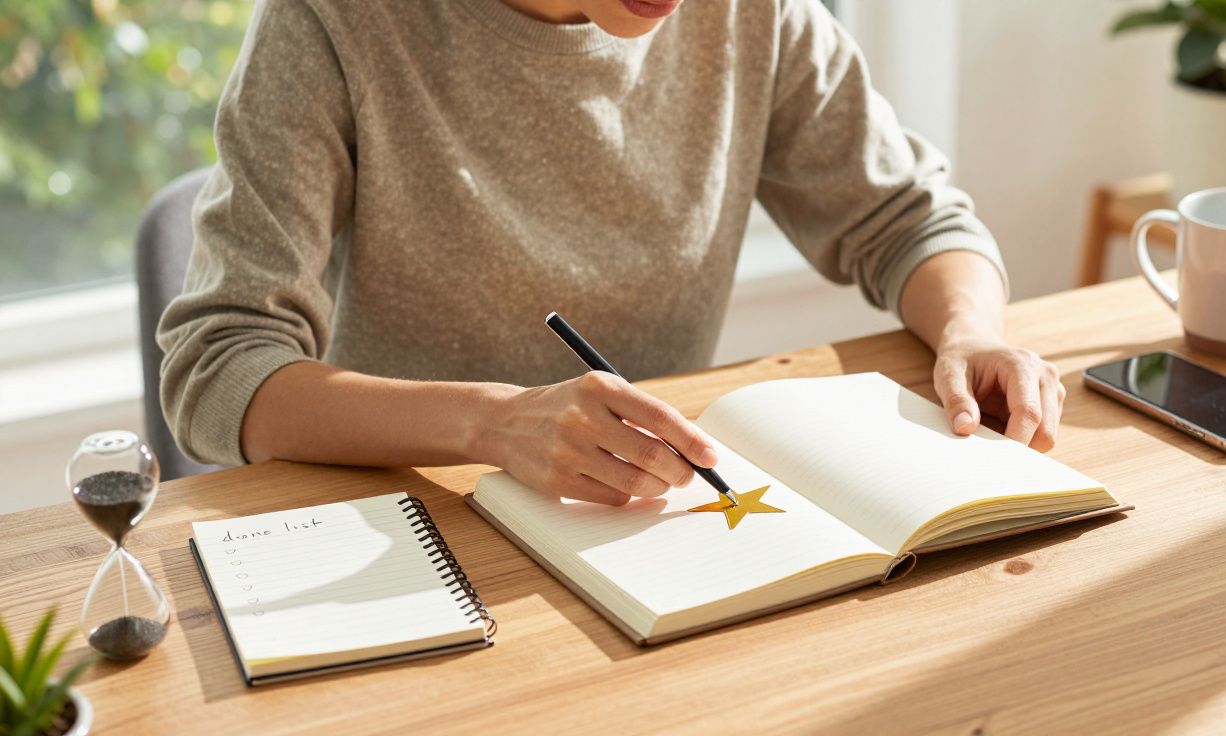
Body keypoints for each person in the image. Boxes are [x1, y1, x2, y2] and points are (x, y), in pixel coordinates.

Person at [159, 0, 1065, 507]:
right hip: (416, 518)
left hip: (652, 515)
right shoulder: (334, 23)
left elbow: (909, 218)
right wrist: (492, 423)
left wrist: (970, 332)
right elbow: (218, 373)